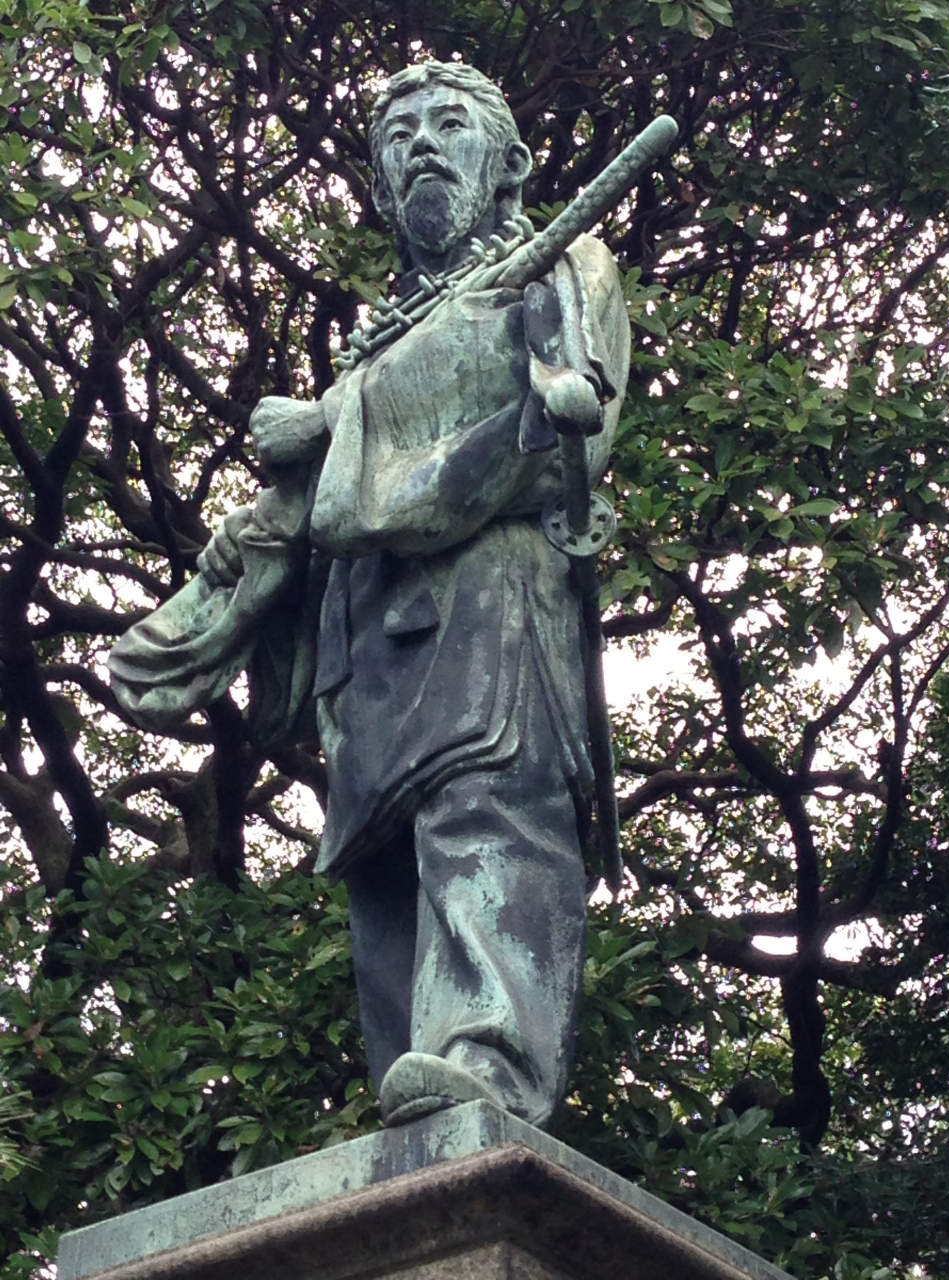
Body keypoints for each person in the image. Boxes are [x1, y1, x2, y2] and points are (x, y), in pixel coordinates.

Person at [109, 62, 630, 1129]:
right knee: (384, 878)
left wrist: (335, 425)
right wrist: (223, 594)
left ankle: (491, 1063)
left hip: (491, 597)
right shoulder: (385, 326)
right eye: (400, 136)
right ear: (382, 186)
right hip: (371, 637)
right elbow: (300, 511)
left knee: (485, 815)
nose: (423, 144)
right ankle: (416, 1099)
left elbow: (555, 442)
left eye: (449, 124)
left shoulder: (561, 262)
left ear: (509, 163)